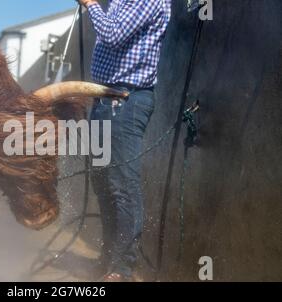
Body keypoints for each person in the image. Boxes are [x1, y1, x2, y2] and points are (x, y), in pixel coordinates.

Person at [78, 0, 172, 281]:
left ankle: (122, 268)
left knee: (122, 186)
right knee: (102, 183)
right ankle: (108, 259)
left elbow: (113, 34)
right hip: (104, 99)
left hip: (127, 99)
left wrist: (91, 4)